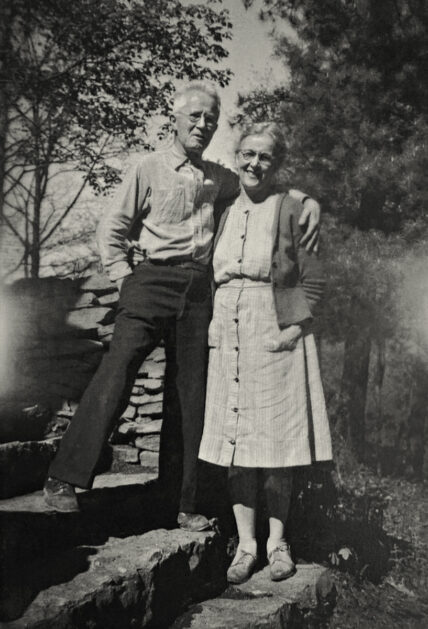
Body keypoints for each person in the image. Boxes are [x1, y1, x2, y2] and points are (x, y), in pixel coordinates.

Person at [43, 82, 321, 532]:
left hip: (198, 291)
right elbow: (112, 227)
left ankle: (183, 501)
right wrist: (123, 278)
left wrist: (309, 200)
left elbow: (264, 182)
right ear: (174, 117)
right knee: (118, 370)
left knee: (192, 395)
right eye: (194, 116)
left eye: (210, 119)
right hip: (150, 281)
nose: (202, 124)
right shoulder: (148, 167)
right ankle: (64, 479)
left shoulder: (219, 177)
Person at [198, 121, 332, 580]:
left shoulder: (292, 208)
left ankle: (277, 544)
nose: (255, 163)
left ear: (277, 165)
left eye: (266, 157)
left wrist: (293, 331)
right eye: (248, 153)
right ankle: (246, 545)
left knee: (276, 441)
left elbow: (314, 278)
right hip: (228, 328)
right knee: (237, 442)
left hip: (274, 326)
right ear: (237, 155)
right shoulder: (221, 203)